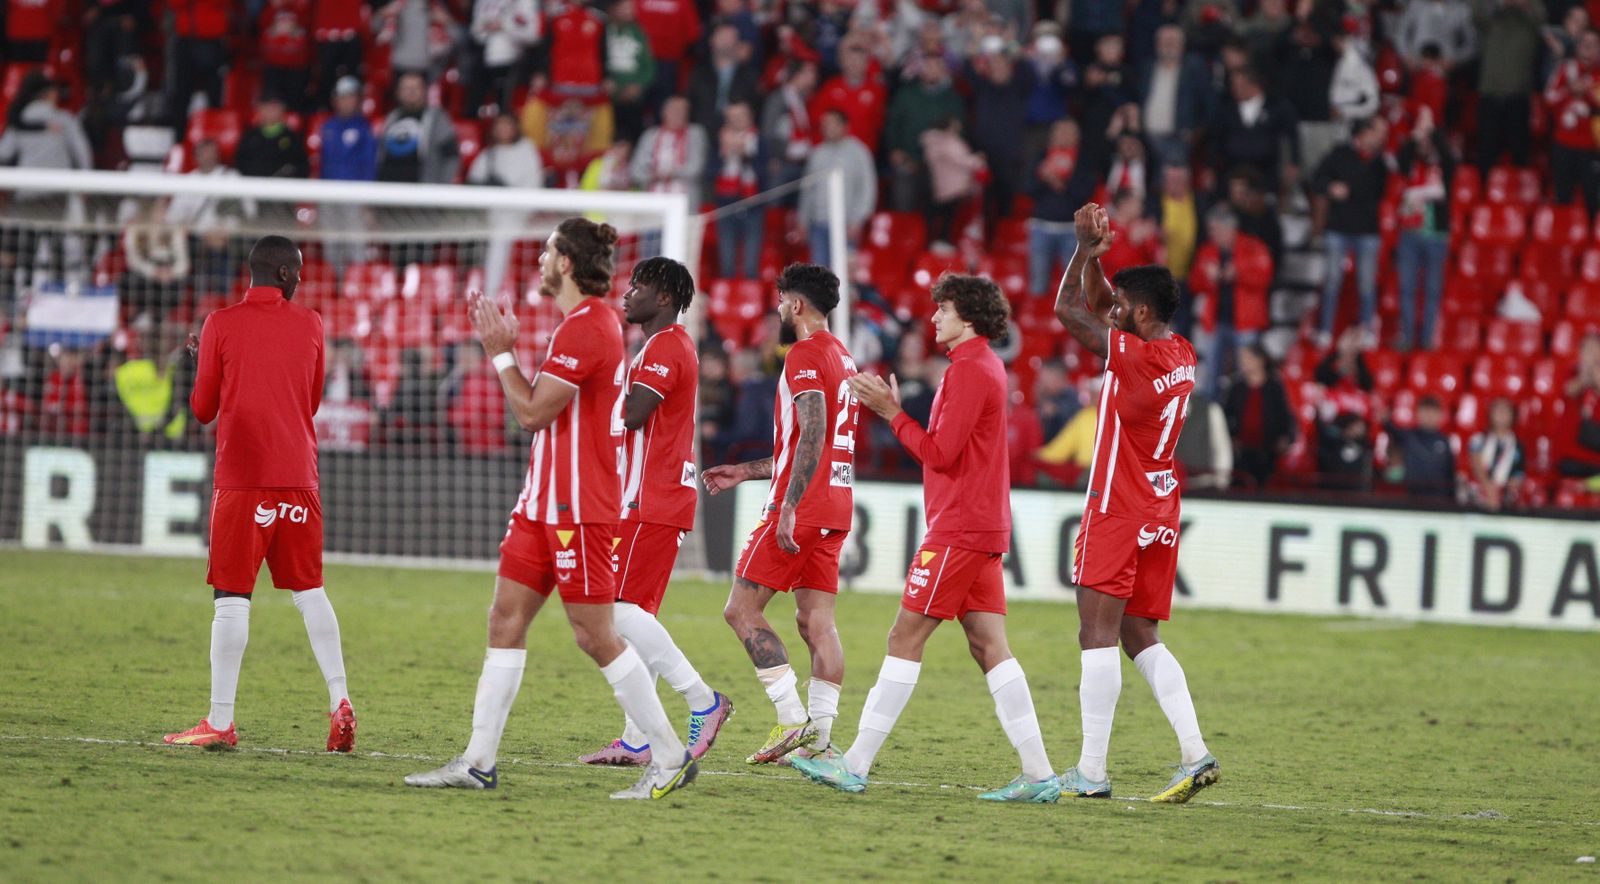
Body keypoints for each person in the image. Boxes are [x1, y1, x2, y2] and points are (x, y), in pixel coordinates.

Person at [405, 219, 697, 800]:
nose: (538, 259)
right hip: (540, 504)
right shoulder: (579, 326)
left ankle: (669, 756)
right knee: (504, 620)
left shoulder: (590, 327)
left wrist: (500, 355)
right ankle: (478, 760)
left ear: (565, 263)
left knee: (596, 635)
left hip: (578, 509)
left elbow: (533, 413)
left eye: (545, 251)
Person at [791, 274, 1059, 802]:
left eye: (944, 309)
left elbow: (941, 455)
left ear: (970, 317)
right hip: (979, 524)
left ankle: (855, 764)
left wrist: (890, 413)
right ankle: (1039, 774)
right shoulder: (983, 366)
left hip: (959, 527)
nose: (934, 317)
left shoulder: (969, 372)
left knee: (903, 637)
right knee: (990, 646)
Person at [1052, 202, 1220, 803]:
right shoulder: (1179, 353)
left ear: (1141, 313)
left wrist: (1078, 249)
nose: (1113, 312)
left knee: (1095, 634)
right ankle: (1195, 752)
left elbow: (1071, 309)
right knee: (1139, 633)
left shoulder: (1139, 357)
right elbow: (1102, 305)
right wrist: (1098, 257)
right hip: (1160, 507)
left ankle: (1092, 773)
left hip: (1118, 507)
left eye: (1124, 307)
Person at [163, 236, 356, 753]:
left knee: (231, 598)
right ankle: (340, 699)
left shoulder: (219, 324)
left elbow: (203, 410)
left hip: (243, 478)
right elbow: (309, 402)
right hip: (298, 476)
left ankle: (221, 720)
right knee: (310, 591)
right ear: (288, 275)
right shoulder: (312, 323)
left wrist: (199, 364)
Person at [578, 257, 735, 766]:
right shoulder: (657, 346)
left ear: (664, 297)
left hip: (654, 499)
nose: (627, 293)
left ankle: (702, 699)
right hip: (647, 498)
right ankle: (638, 737)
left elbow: (635, 412)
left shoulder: (667, 346)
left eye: (639, 286)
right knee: (633, 617)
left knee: (616, 610)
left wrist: (581, 394)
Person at [702, 263, 859, 766]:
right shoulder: (844, 357)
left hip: (804, 505)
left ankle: (792, 718)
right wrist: (747, 471)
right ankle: (819, 739)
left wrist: (788, 504)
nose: (776, 309)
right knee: (818, 622)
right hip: (836, 502)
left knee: (740, 611)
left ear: (796, 305)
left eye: (780, 300)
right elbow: (805, 444)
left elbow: (811, 429)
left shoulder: (805, 356)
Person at [1313, 115, 1389, 348]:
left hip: (1367, 229)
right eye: (1377, 132)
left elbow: (1378, 191)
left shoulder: (1379, 162)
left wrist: (1350, 187)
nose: (1381, 138)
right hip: (1338, 227)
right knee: (1333, 280)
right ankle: (1325, 330)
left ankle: (1367, 330)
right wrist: (1330, 187)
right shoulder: (1339, 154)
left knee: (1366, 283)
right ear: (1364, 133)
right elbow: (1317, 179)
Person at [1187, 204, 1272, 399]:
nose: (1212, 234)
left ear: (1229, 229)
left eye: (1215, 229)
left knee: (1247, 373)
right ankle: (1211, 417)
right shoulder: (1208, 251)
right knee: (1211, 375)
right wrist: (1207, 277)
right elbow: (1194, 284)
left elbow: (1264, 276)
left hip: (1245, 323)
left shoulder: (1253, 247)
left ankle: (1244, 410)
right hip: (1216, 322)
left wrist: (1238, 272)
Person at [1394, 111, 1454, 351]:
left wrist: (1432, 131)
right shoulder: (1412, 164)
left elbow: (1448, 157)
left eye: (1429, 140)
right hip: (1409, 233)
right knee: (1406, 288)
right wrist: (1415, 136)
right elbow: (1400, 158)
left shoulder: (1444, 166)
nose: (1425, 144)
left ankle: (1427, 338)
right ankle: (1407, 337)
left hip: (1435, 235)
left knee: (1432, 290)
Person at [798, 109, 876, 268]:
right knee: (819, 274)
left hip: (846, 223)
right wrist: (803, 220)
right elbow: (807, 190)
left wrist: (858, 219)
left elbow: (867, 188)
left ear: (844, 126)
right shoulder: (817, 153)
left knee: (844, 272)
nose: (827, 128)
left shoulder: (859, 153)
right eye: (824, 125)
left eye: (832, 124)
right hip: (818, 223)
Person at [1224, 343, 1293, 489]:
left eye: (1248, 358)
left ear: (1260, 360)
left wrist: (1284, 439)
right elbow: (1226, 416)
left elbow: (1286, 416)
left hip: (1268, 452)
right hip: (1241, 453)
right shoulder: (1236, 388)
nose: (1243, 363)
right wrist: (1230, 438)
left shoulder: (1275, 387)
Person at [378, 72, 461, 185]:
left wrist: (442, 188)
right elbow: (381, 152)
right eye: (406, 88)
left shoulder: (437, 117)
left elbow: (451, 156)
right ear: (398, 92)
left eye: (416, 87)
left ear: (424, 91)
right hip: (387, 187)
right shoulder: (392, 117)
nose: (411, 91)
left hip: (420, 190)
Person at [1467, 397, 1525, 511]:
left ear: (1512, 416)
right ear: (1490, 414)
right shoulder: (1479, 439)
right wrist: (1489, 488)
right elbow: (1476, 466)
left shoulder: (1518, 445)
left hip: (1505, 497)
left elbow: (1518, 475)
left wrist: (1504, 491)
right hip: (1480, 494)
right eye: (1498, 410)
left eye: (1506, 411)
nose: (1502, 414)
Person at [235, 95, 309, 179]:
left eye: (275, 107)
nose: (270, 111)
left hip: (282, 188)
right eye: (266, 107)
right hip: (253, 186)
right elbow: (240, 164)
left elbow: (301, 168)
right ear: (259, 109)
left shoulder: (293, 138)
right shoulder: (249, 136)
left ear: (283, 109)